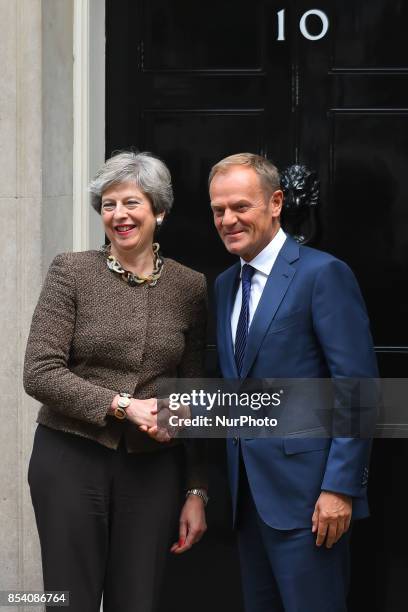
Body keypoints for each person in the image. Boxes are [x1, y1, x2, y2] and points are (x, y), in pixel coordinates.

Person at [24, 151, 208, 612]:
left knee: (138, 601)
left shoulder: (191, 287)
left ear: (159, 211)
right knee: (68, 601)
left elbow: (195, 392)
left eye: (131, 203)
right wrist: (123, 405)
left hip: (153, 470)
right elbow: (40, 371)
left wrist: (197, 490)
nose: (119, 215)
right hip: (70, 457)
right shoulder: (71, 272)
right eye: (108, 205)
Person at [208, 153, 378, 611]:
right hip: (247, 501)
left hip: (310, 502)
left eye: (240, 206)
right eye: (218, 210)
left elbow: (357, 389)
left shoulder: (322, 274)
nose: (228, 219)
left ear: (276, 202)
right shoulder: (225, 285)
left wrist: (340, 488)